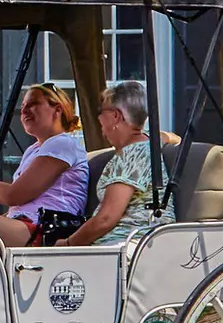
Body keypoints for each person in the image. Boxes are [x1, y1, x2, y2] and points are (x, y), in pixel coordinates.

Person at [0, 84, 88, 247]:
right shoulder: (35, 149)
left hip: (49, 229)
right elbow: (19, 203)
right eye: (23, 106)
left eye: (33, 104)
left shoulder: (62, 143)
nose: (24, 110)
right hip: (29, 224)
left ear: (57, 110)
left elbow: (14, 195)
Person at [65, 79, 168, 247]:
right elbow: (168, 137)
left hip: (127, 247)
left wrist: (67, 244)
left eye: (101, 111)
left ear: (115, 116)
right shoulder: (148, 142)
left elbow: (106, 219)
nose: (98, 118)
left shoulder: (132, 154)